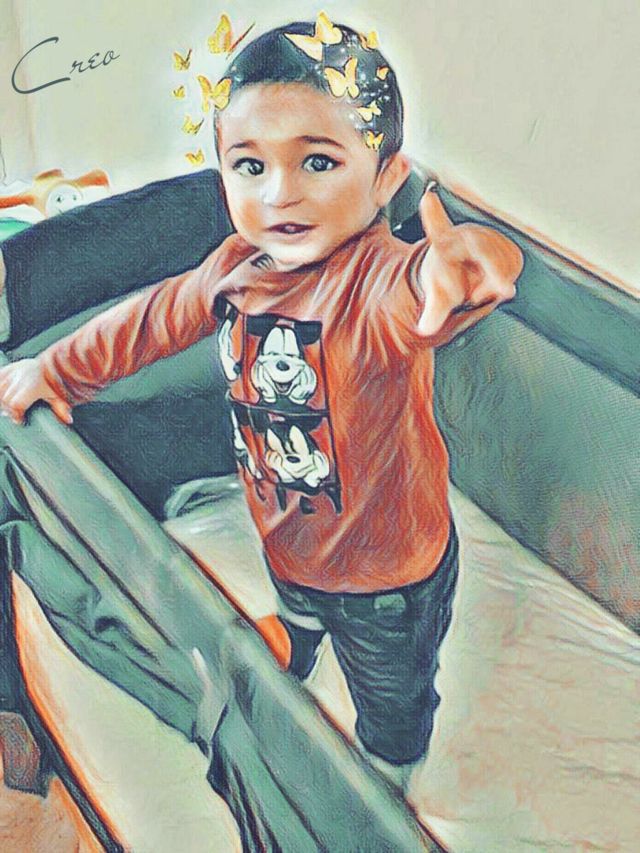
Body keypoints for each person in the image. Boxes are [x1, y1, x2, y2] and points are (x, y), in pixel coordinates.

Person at [0, 16, 522, 790]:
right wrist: (55, 370)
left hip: (387, 579)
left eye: (318, 161)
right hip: (290, 535)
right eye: (249, 164)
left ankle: (386, 778)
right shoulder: (238, 265)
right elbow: (152, 319)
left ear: (386, 178)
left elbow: (436, 281)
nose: (280, 193)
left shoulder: (377, 285)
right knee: (299, 602)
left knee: (393, 702)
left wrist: (470, 260)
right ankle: (301, 635)